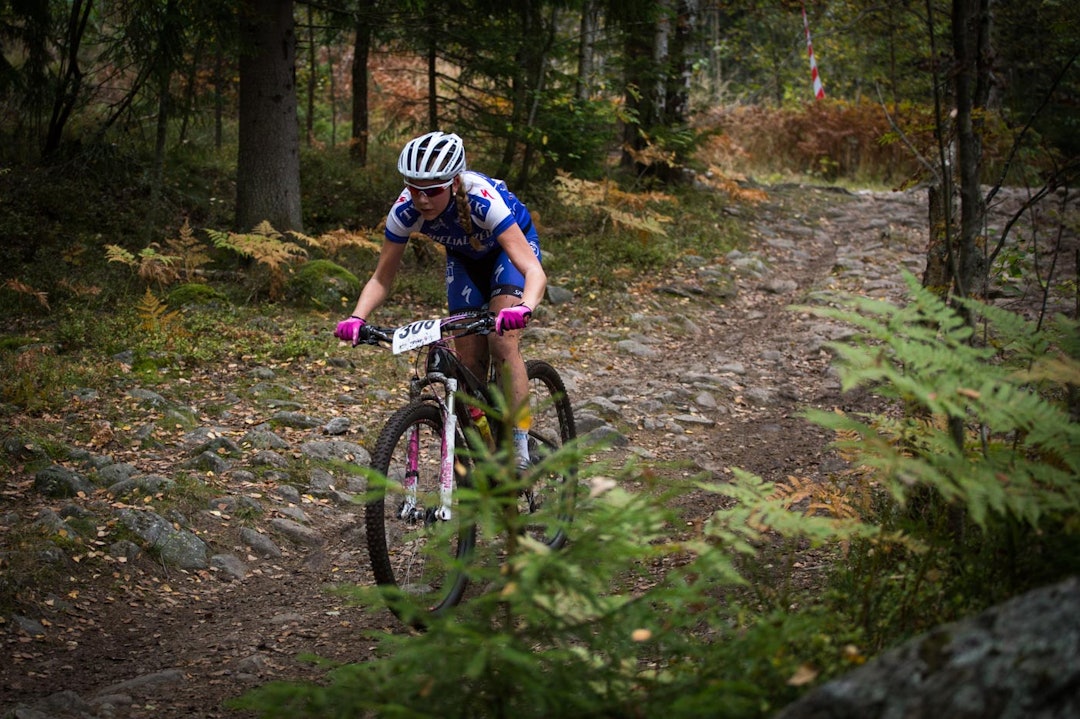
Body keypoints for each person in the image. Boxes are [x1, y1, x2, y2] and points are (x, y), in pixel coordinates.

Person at [334, 131, 546, 469]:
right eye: (414, 188)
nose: (421, 199)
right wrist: (356, 318)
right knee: (468, 360)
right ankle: (487, 445)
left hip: (508, 255)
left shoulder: (483, 200)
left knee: (501, 342)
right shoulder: (405, 210)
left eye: (432, 191)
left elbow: (534, 270)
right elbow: (380, 278)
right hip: (464, 261)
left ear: (454, 184)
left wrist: (524, 308)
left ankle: (521, 444)